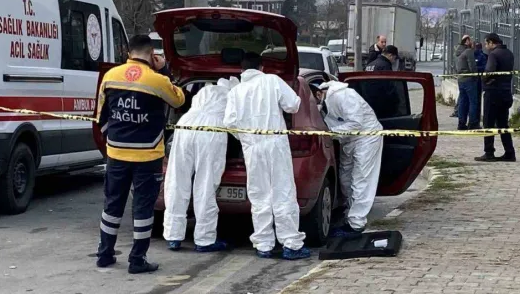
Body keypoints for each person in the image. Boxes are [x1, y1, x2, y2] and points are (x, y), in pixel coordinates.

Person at [95, 35, 186, 274]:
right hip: (147, 156)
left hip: (116, 153)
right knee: (143, 209)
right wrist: (164, 69)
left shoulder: (110, 77)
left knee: (112, 204)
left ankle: (104, 254)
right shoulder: (156, 80)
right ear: (151, 53)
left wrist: (113, 141)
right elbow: (179, 99)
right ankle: (137, 260)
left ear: (128, 51)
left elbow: (101, 117)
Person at [224, 53, 310, 260]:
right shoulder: (272, 81)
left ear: (242, 71)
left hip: (251, 147)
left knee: (259, 194)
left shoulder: (235, 91)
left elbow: (229, 123)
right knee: (283, 192)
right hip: (275, 144)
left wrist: (244, 136)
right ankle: (291, 244)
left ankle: (263, 244)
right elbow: (293, 105)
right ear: (261, 67)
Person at [163, 77, 239, 253]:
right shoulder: (232, 94)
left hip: (186, 124)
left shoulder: (205, 90)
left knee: (177, 179)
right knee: (205, 184)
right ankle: (204, 239)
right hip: (211, 129)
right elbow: (234, 122)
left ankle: (173, 235)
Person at [311, 81, 383, 236]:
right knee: (345, 179)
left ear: (318, 93)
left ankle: (356, 224)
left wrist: (330, 133)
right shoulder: (323, 104)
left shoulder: (344, 96)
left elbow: (355, 124)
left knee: (361, 179)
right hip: (348, 140)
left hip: (366, 137)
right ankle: (350, 214)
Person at [476, 32, 516, 163]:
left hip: (493, 92)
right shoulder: (509, 53)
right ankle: (509, 152)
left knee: (488, 123)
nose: (486, 47)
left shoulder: (493, 54)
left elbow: (490, 71)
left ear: (491, 42)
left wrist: (484, 79)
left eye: (487, 44)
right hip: (506, 92)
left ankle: (489, 152)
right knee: (503, 124)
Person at [364, 45, 401, 119]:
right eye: (395, 58)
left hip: (367, 104)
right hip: (381, 107)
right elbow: (389, 87)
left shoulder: (370, 65)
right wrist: (397, 101)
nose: (394, 61)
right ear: (390, 55)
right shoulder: (385, 66)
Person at [454, 35, 481, 130]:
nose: (472, 41)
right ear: (466, 41)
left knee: (462, 101)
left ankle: (461, 123)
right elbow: (472, 66)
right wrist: (476, 76)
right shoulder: (468, 51)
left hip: (460, 79)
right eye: (470, 39)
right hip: (469, 79)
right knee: (473, 102)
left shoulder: (458, 52)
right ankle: (473, 123)